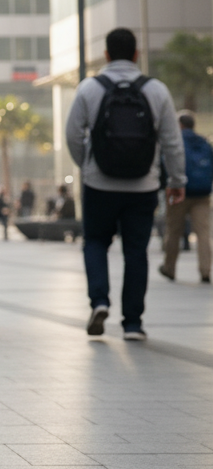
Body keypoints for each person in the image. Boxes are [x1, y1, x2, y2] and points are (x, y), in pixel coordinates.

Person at [66, 27, 185, 340]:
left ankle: (100, 301)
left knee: (95, 243)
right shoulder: (156, 90)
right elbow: (172, 141)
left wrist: (88, 165)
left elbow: (72, 135)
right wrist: (176, 179)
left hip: (99, 185)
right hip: (143, 186)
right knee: (136, 251)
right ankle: (132, 323)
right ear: (136, 54)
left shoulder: (90, 88)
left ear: (106, 54)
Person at [159, 112, 212, 284]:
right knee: (203, 233)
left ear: (180, 125)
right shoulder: (204, 142)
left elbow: (164, 163)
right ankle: (205, 270)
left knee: (174, 230)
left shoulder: (174, 141)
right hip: (202, 194)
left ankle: (170, 268)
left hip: (177, 191)